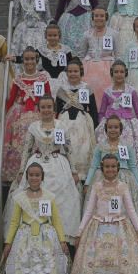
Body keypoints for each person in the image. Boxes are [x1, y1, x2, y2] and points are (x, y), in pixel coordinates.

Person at [66, 154, 138, 274]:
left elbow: (131, 210)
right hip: (97, 230)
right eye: (107, 167)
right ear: (102, 168)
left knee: (123, 266)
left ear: (118, 168)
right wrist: (79, 232)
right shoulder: (97, 187)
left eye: (113, 166)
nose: (110, 169)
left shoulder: (123, 187)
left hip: (120, 230)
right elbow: (89, 210)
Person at [0, 161, 70, 274]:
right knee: (25, 268)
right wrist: (8, 242)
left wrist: (62, 240)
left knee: (46, 268)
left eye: (37, 175)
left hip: (46, 236)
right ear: (27, 177)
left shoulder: (49, 197)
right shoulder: (20, 198)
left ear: (42, 177)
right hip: (25, 237)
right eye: (31, 175)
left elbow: (56, 219)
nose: (34, 178)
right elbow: (14, 221)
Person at [10, 96, 83, 243]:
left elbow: (68, 149)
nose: (46, 110)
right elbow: (27, 150)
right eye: (43, 107)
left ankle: (61, 237)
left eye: (49, 107)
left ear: (54, 109)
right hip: (37, 164)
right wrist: (21, 171)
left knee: (65, 200)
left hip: (58, 165)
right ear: (39, 109)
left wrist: (74, 171)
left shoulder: (61, 126)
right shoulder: (33, 127)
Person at [85, 116, 138, 227]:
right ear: (105, 129)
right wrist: (87, 182)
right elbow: (93, 166)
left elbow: (132, 166)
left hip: (124, 179)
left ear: (121, 130)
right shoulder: (100, 147)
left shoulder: (127, 147)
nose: (113, 130)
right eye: (110, 127)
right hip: (103, 178)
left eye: (116, 127)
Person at [2, 48, 52, 183]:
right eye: (26, 59)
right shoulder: (18, 79)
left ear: (36, 60)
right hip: (19, 112)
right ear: (22, 61)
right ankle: (18, 172)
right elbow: (11, 99)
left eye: (32, 59)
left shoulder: (43, 77)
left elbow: (48, 96)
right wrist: (6, 117)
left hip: (38, 111)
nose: (29, 62)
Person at [97, 60, 138, 176]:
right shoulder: (107, 92)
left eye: (121, 72)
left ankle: (129, 175)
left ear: (125, 73)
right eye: (116, 72)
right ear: (112, 74)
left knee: (134, 149)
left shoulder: (131, 91)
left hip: (128, 125)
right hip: (110, 125)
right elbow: (101, 112)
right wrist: (102, 124)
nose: (119, 74)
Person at [55, 59, 100, 181]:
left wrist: (94, 127)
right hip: (65, 124)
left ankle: (83, 178)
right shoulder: (61, 91)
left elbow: (94, 111)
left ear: (81, 72)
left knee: (83, 151)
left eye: (75, 71)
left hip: (83, 126)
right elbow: (57, 111)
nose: (73, 74)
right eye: (70, 71)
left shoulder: (87, 88)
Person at [11, 0, 51, 69]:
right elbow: (16, 17)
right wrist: (13, 29)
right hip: (23, 30)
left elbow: (48, 16)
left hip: (40, 29)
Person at [77, 6, 117, 103]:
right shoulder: (87, 34)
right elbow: (81, 53)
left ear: (106, 18)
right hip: (89, 67)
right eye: (96, 16)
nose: (99, 18)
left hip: (107, 66)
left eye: (102, 16)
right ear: (93, 17)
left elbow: (118, 52)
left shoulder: (113, 33)